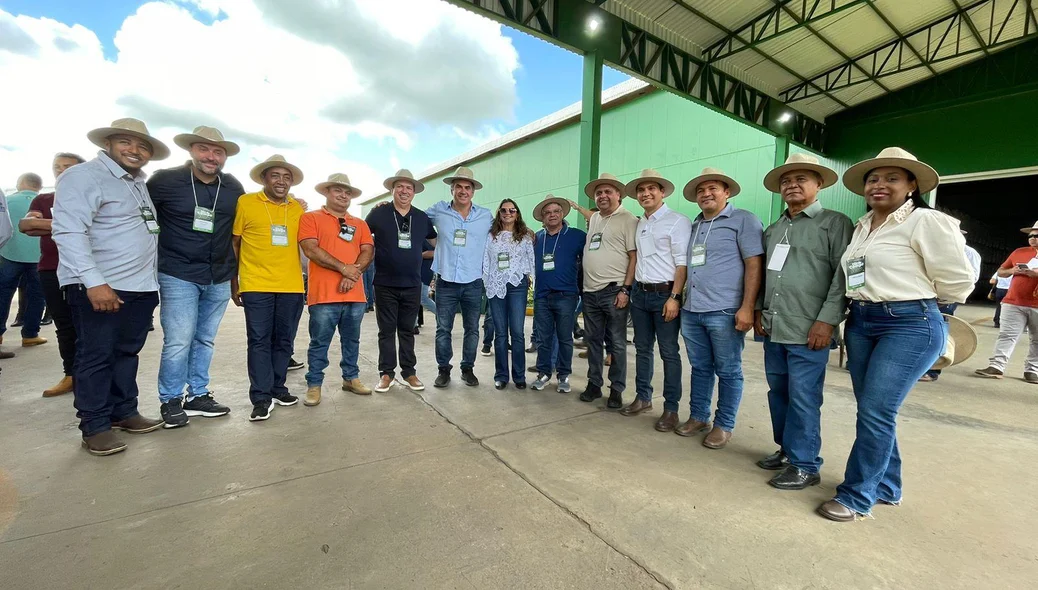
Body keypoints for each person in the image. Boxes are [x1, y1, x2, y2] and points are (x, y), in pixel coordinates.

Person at [817, 147, 974, 522]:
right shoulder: (862, 226)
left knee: (876, 410)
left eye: (891, 178)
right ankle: (887, 486)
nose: (879, 185)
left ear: (911, 185)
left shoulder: (926, 221)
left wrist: (918, 299)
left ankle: (857, 495)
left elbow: (959, 282)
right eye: (873, 179)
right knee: (875, 411)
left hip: (909, 323)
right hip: (862, 321)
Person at [53, 118, 169, 455]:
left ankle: (123, 412)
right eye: (126, 142)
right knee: (95, 355)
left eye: (143, 146)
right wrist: (94, 282)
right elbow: (69, 231)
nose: (135, 150)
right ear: (109, 144)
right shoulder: (83, 176)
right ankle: (95, 425)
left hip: (139, 286)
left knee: (126, 353)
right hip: (102, 285)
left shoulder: (136, 182)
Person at [754, 154, 853, 489]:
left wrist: (827, 321)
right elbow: (764, 276)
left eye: (800, 179)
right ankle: (787, 450)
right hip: (774, 326)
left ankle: (806, 464)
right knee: (778, 392)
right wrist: (758, 311)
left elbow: (843, 279)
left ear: (819, 184)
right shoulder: (775, 228)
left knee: (804, 397)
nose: (791, 186)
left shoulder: (835, 223)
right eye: (786, 181)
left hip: (810, 329)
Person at [145, 126, 244, 427]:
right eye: (204, 149)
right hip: (178, 271)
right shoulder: (164, 181)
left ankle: (197, 394)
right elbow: (141, 218)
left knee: (205, 339)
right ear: (191, 150)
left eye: (218, 152)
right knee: (178, 339)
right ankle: (171, 399)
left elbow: (246, 226)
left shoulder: (233, 187)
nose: (211, 157)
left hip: (219, 274)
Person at [676, 168, 765, 448]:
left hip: (725, 310)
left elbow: (754, 264)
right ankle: (699, 416)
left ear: (727, 192)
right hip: (692, 310)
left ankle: (724, 424)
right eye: (701, 191)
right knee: (700, 367)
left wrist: (747, 307)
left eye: (712, 188)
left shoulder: (744, 220)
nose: (706, 194)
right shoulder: (695, 226)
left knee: (728, 370)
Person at [232, 154, 306, 422]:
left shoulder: (297, 208)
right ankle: (261, 397)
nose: (281, 181)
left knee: (284, 340)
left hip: (291, 285)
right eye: (275, 175)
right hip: (256, 283)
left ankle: (278, 388)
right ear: (264, 178)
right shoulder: (246, 202)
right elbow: (235, 243)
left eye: (287, 177)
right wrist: (234, 280)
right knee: (259, 340)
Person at [620, 169, 691, 423]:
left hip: (665, 295)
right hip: (641, 294)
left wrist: (675, 297)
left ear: (662, 192)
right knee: (642, 348)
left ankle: (671, 408)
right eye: (641, 190)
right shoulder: (640, 224)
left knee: (669, 352)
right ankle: (643, 397)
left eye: (651, 189)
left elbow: (682, 265)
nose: (645, 193)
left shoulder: (677, 221)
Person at [298, 173, 374, 406]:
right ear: (326, 192)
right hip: (323, 295)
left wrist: (353, 274)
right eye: (337, 190)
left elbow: (367, 251)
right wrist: (344, 269)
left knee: (352, 341)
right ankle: (314, 384)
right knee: (320, 342)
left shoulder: (359, 223)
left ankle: (350, 378)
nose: (343, 195)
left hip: (355, 294)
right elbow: (311, 249)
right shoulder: (310, 218)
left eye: (347, 192)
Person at [365, 169, 437, 393]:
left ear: (414, 192)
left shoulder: (422, 217)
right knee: (386, 331)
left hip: (413, 284)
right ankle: (386, 373)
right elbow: (362, 238)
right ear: (392, 189)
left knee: (407, 330)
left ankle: (409, 373)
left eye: (409, 187)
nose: (404, 191)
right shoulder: (378, 213)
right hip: (384, 283)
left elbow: (436, 242)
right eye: (400, 187)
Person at [19, 153, 85, 394]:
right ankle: (71, 375)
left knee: (90, 326)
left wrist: (46, 224)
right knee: (64, 325)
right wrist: (75, 225)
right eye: (57, 167)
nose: (61, 171)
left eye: (68, 167)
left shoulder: (92, 198)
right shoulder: (44, 199)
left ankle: (92, 377)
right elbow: (26, 226)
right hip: (51, 269)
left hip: (86, 272)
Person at [574, 174, 637, 409]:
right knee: (593, 341)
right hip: (590, 293)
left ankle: (616, 389)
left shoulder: (628, 219)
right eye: (599, 193)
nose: (602, 196)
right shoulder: (596, 220)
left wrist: (626, 289)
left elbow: (634, 257)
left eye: (608, 191)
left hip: (614, 291)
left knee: (617, 343)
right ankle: (594, 384)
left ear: (619, 194)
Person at [427, 167, 493, 388]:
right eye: (459, 187)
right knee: (443, 328)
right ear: (452, 189)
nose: (463, 191)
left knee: (472, 328)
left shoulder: (485, 216)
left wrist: (527, 233)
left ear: (473, 191)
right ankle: (443, 370)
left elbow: (505, 233)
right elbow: (413, 219)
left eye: (467, 187)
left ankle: (468, 368)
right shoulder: (438, 211)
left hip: (474, 281)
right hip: (446, 281)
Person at [530, 196, 586, 392]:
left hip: (566, 295)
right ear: (542, 218)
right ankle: (544, 373)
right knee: (543, 338)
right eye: (548, 213)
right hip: (542, 296)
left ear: (562, 214)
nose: (552, 215)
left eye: (556, 211)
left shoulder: (577, 236)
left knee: (564, 338)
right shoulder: (537, 238)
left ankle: (563, 375)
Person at [974, 222, 1038, 384]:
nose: (1032, 238)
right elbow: (1002, 272)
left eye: (1036, 235)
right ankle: (997, 366)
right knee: (1007, 335)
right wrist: (1013, 271)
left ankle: (1032, 370)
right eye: (1030, 235)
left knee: (1037, 339)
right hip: (1013, 301)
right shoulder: (1019, 252)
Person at [483, 198, 535, 389]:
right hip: (496, 285)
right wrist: (487, 282)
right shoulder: (490, 236)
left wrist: (533, 281)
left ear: (517, 213)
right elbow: (485, 261)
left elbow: (531, 261)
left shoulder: (525, 237)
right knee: (501, 333)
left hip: (517, 285)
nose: (507, 213)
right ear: (499, 213)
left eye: (512, 210)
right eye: (504, 210)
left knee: (518, 332)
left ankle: (519, 376)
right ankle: (501, 375)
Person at [0, 172, 47, 350]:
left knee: (3, 293)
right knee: (37, 295)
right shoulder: (44, 201)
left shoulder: (8, 200)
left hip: (10, 253)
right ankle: (30, 335)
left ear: (20, 183)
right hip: (39, 256)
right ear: (39, 186)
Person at [414, 239, 435, 334]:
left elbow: (432, 253)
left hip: (423, 272)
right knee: (416, 299)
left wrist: (415, 255)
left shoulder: (428, 237)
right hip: (419, 272)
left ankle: (442, 315)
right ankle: (413, 324)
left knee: (422, 298)